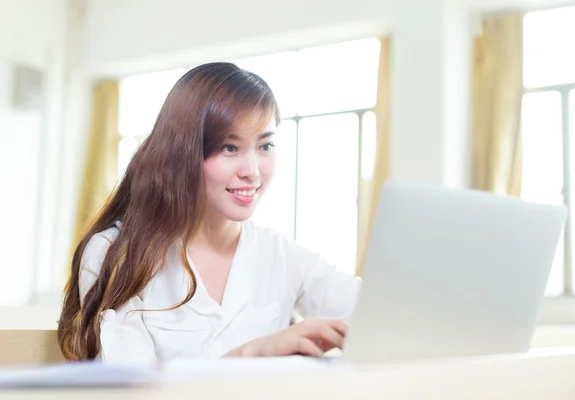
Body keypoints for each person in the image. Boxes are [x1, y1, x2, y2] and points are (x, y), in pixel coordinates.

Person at [58, 62, 361, 364]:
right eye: (230, 148)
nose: (252, 172)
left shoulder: (279, 253)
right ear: (183, 151)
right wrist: (254, 353)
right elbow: (133, 391)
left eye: (265, 145)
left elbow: (383, 312)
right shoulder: (114, 253)